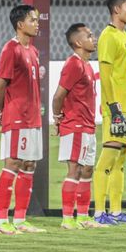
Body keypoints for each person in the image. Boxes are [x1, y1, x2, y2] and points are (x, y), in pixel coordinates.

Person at [0, 4, 46, 234]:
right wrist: (1, 112)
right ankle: (1, 221)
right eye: (32, 20)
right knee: (13, 163)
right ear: (20, 24)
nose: (37, 23)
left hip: (33, 118)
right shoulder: (10, 50)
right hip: (16, 117)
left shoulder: (32, 51)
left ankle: (20, 220)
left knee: (29, 165)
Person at [92, 0, 126, 225]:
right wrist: (113, 107)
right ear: (116, 10)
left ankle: (116, 211)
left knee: (120, 161)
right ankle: (99, 212)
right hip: (116, 108)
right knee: (107, 160)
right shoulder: (108, 36)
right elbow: (106, 76)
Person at [52, 23, 104, 229]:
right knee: (74, 170)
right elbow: (58, 95)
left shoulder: (87, 65)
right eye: (89, 36)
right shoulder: (73, 64)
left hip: (87, 126)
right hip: (75, 126)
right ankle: (67, 218)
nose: (94, 38)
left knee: (87, 170)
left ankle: (83, 217)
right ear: (77, 42)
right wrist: (58, 117)